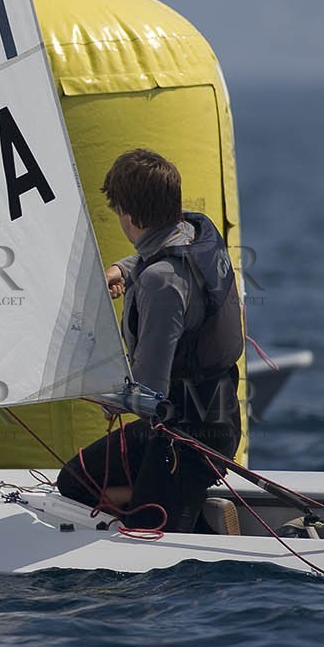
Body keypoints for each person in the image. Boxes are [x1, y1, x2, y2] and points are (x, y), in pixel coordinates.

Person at [56, 149, 244, 533]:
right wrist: (122, 269)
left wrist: (80, 388)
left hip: (186, 438)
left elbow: (147, 396)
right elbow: (164, 259)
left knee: (146, 532)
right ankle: (182, 507)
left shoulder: (160, 284)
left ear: (129, 215)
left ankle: (187, 515)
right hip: (212, 417)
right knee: (76, 479)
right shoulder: (197, 232)